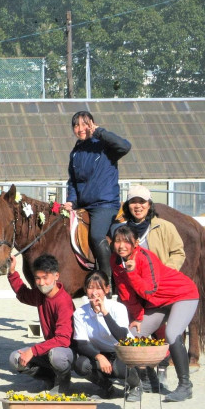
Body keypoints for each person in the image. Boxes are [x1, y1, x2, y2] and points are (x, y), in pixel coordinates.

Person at [110, 225, 199, 402]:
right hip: (158, 303)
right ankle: (148, 379)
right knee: (133, 334)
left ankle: (185, 385)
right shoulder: (116, 261)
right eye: (118, 241)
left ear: (135, 243)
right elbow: (126, 293)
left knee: (172, 333)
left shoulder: (145, 257)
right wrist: (138, 317)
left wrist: (132, 272)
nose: (121, 245)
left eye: (126, 241)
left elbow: (149, 290)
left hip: (182, 294)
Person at [64, 111, 131, 285]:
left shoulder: (105, 145)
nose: (81, 129)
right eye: (76, 125)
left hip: (104, 204)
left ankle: (107, 280)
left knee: (96, 235)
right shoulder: (75, 153)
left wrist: (100, 132)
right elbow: (73, 181)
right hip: (83, 206)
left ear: (92, 124)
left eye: (85, 124)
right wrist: (71, 200)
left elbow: (125, 146)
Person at [7, 254, 75, 394]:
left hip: (67, 350)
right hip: (50, 347)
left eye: (45, 278)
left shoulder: (63, 301)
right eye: (37, 278)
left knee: (56, 356)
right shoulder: (40, 294)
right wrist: (12, 273)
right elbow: (24, 295)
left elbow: (63, 339)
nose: (41, 283)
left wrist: (32, 351)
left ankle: (64, 380)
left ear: (56, 276)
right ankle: (51, 378)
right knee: (15, 359)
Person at [72, 270, 142, 401]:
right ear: (85, 290)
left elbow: (121, 336)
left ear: (107, 289)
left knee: (120, 369)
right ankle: (107, 387)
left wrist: (104, 312)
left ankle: (135, 385)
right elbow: (81, 344)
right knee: (81, 364)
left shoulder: (118, 307)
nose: (94, 292)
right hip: (101, 351)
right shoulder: (80, 313)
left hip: (123, 350)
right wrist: (98, 356)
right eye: (90, 287)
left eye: (99, 288)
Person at [113, 184, 185, 270]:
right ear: (128, 206)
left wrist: (166, 271)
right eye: (133, 202)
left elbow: (178, 253)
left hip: (160, 280)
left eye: (142, 201)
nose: (137, 206)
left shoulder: (165, 227)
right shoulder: (122, 231)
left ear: (149, 204)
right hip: (132, 280)